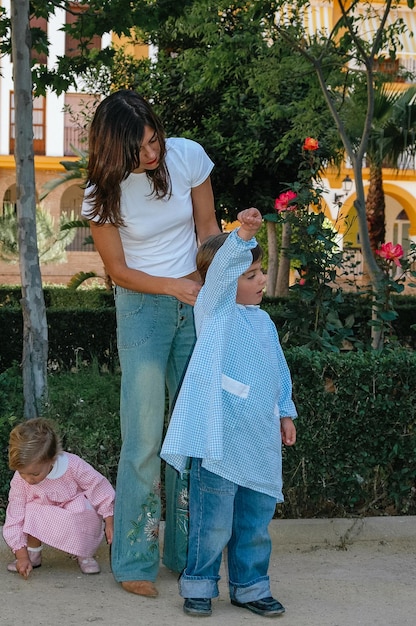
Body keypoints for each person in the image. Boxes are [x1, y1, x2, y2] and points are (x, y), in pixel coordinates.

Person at [81, 89, 220, 597]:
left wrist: (216, 281)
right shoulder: (101, 194)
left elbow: (207, 230)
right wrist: (172, 287)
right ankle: (134, 561)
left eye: (154, 138)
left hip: (195, 299)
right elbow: (117, 271)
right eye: (139, 147)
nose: (152, 152)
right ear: (114, 148)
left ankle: (187, 555)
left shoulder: (187, 156)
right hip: (142, 307)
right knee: (142, 439)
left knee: (189, 439)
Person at [161, 207, 297, 618]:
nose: (261, 281)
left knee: (255, 524)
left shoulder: (264, 322)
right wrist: (242, 236)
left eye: (260, 273)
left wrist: (285, 413)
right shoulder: (215, 311)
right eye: (250, 274)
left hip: (258, 439)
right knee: (213, 523)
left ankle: (251, 588)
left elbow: (278, 370)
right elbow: (221, 274)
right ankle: (200, 585)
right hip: (218, 439)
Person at [3, 418, 115, 579]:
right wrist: (21, 556)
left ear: (52, 459)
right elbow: (15, 514)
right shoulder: (21, 481)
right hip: (43, 514)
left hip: (74, 512)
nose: (28, 479)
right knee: (29, 511)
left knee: (83, 508)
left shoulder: (73, 465)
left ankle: (84, 553)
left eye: (35, 474)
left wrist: (109, 519)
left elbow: (97, 486)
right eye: (22, 473)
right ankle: (32, 554)